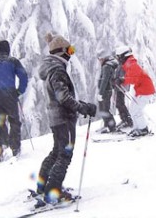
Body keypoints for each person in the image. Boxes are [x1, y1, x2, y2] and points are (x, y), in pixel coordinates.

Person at [36, 33, 96, 205]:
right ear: (61, 52)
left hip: (56, 117)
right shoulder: (57, 70)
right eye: (70, 50)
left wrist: (80, 104)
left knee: (57, 151)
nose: (71, 54)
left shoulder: (52, 68)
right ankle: (53, 192)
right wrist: (82, 107)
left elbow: (61, 97)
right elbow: (63, 97)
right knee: (64, 154)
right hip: (63, 118)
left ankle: (43, 186)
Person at [115, 46, 155, 137]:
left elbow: (135, 78)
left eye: (118, 57)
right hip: (141, 90)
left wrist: (122, 80)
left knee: (136, 110)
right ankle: (137, 128)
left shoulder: (131, 64)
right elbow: (132, 77)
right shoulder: (129, 63)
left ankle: (143, 129)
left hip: (145, 90)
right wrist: (120, 80)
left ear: (123, 56)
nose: (118, 59)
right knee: (133, 109)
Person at [96, 53, 119, 133]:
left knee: (105, 109)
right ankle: (106, 125)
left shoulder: (106, 66)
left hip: (105, 91)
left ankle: (112, 127)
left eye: (100, 59)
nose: (99, 61)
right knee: (103, 109)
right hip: (105, 91)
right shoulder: (107, 65)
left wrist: (101, 93)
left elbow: (104, 80)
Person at [113, 64, 133, 129]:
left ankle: (126, 120)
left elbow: (123, 76)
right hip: (119, 86)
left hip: (121, 87)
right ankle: (125, 119)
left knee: (120, 104)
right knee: (119, 104)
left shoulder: (122, 64)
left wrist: (118, 80)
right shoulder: (119, 63)